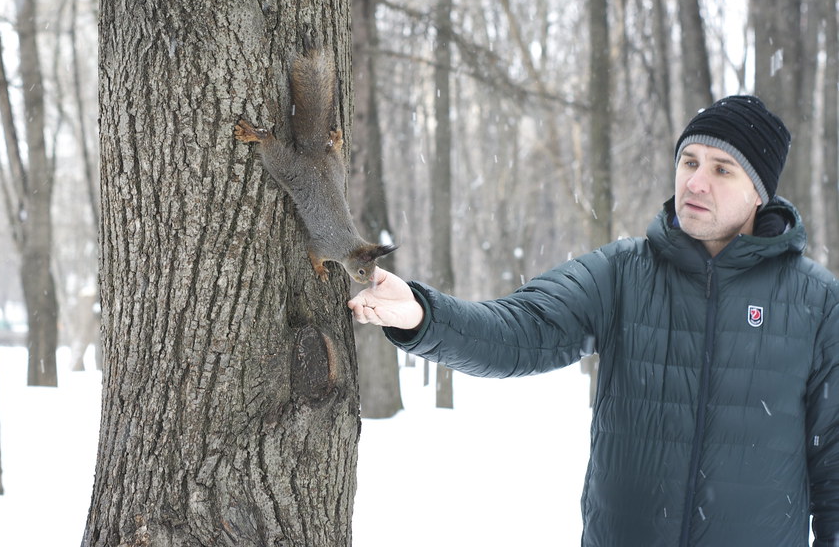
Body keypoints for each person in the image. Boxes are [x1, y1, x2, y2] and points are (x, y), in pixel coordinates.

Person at [349, 95, 839, 547]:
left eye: (722, 169)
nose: (695, 182)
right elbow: (522, 328)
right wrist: (422, 315)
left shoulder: (816, 302)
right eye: (689, 162)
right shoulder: (624, 273)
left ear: (759, 193)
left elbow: (834, 465)